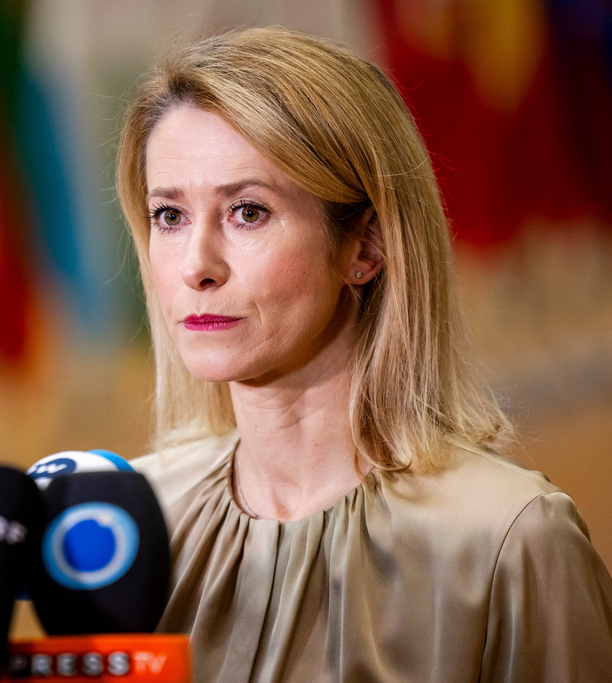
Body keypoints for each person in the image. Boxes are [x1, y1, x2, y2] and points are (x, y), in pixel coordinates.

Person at [116, 26, 612, 681]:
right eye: (169, 216)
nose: (196, 266)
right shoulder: (129, 518)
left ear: (365, 247)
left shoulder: (509, 538)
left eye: (247, 212)